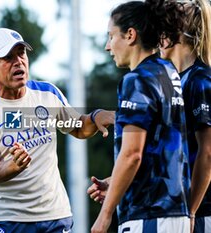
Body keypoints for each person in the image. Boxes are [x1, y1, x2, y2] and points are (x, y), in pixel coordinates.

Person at [0, 28, 114, 233]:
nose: (18, 62)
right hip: (8, 220)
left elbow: (78, 128)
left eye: (21, 53)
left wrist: (95, 117)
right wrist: (12, 166)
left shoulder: (47, 94)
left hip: (55, 216)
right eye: (8, 57)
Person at [88, 1, 191, 232]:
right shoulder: (168, 72)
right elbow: (156, 152)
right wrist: (115, 182)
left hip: (149, 213)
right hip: (175, 212)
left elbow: (132, 154)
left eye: (111, 36)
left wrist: (105, 216)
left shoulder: (136, 80)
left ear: (130, 35)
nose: (107, 46)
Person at [159, 1, 211, 232]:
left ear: (175, 35)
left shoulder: (201, 80)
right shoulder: (173, 82)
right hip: (175, 210)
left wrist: (190, 211)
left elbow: (207, 153)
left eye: (161, 30)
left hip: (202, 212)